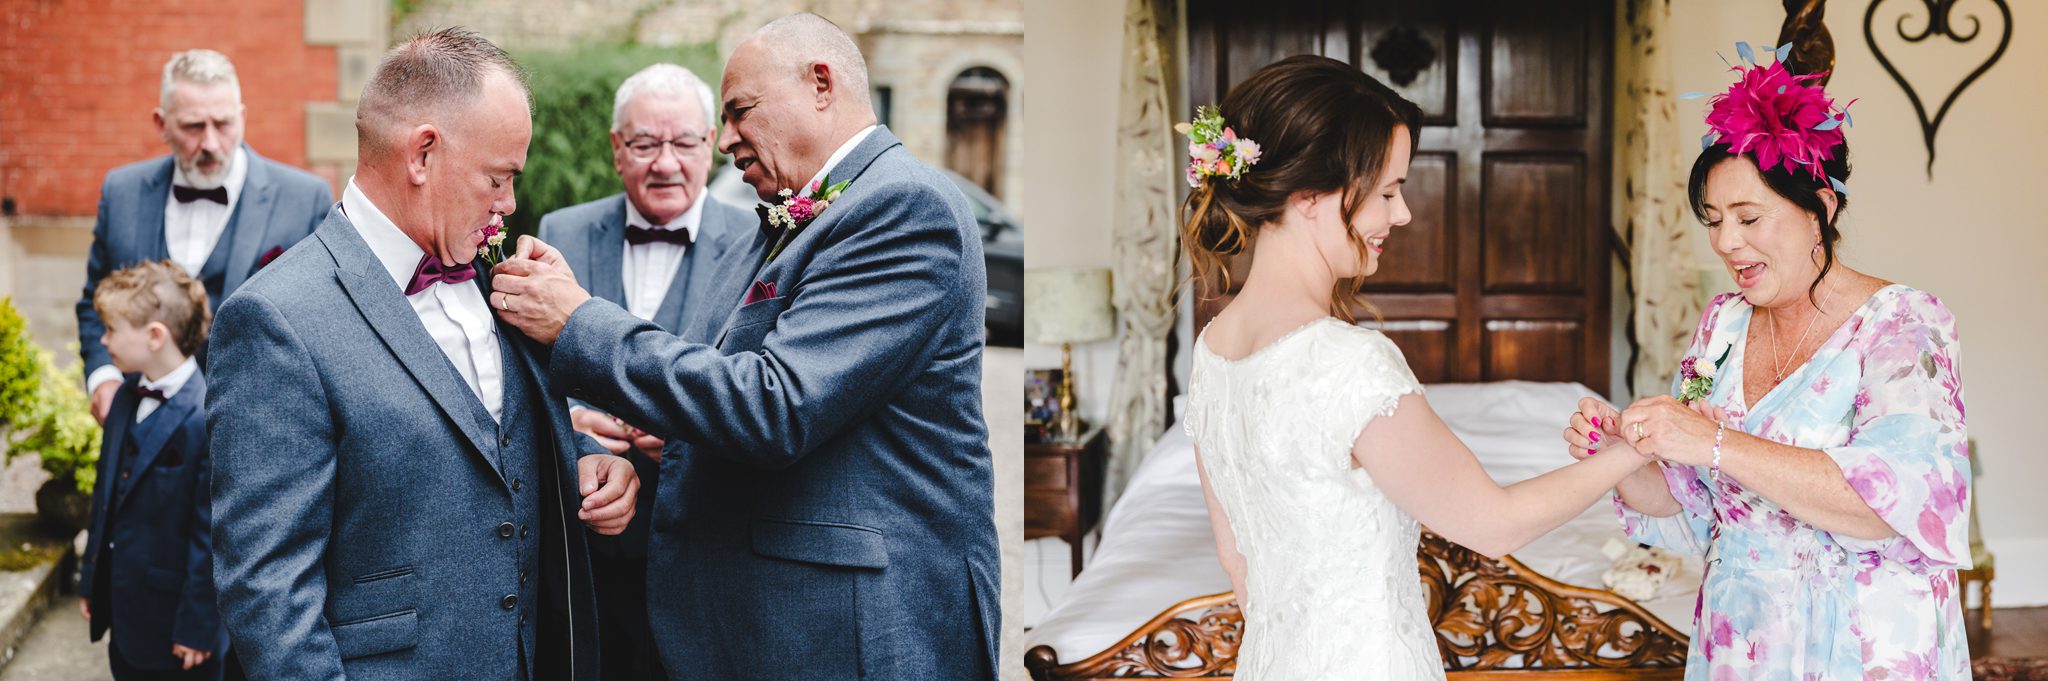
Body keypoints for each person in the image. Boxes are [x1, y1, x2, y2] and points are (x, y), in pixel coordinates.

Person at [488, 13, 997, 679]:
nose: (725, 140)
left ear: (821, 84)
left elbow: (776, 405)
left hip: (854, 630)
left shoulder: (905, 206)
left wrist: (578, 320)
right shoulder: (795, 212)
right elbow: (727, 374)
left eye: (738, 112)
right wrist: (659, 437)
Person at [1177, 55, 1652, 679]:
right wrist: (1632, 450)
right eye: (1387, 193)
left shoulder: (1213, 349)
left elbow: (1237, 561)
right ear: (1309, 196)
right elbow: (1493, 523)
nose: (1400, 216)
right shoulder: (1349, 364)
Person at [205, 28, 638, 680]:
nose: (511, 205)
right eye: (498, 177)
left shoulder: (498, 278)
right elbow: (268, 589)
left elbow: (492, 445)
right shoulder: (275, 320)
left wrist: (588, 459)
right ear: (422, 155)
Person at [1564, 46, 1970, 679]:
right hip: (1741, 639)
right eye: (1715, 220)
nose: (1727, 242)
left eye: (1749, 217)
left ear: (1820, 212)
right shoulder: (1722, 325)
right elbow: (1688, 501)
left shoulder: (1904, 324)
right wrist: (1622, 454)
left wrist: (1717, 442)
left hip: (1864, 644)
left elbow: (1895, 503)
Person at [535, 61, 750, 680]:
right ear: (614, 147)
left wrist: (690, 436)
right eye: (644, 144)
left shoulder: (756, 243)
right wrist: (572, 424)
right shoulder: (562, 233)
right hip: (587, 551)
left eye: (684, 142)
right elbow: (535, 377)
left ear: (711, 145)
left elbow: (767, 391)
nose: (665, 162)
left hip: (705, 551)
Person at [76, 49, 333, 425]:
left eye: (224, 124)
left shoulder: (305, 199)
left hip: (256, 430)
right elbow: (92, 302)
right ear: (161, 124)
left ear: (242, 117)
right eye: (194, 127)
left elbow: (325, 324)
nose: (211, 143)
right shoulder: (122, 192)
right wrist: (103, 379)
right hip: (139, 429)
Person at [78, 260, 228, 680]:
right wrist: (93, 581)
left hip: (179, 630)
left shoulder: (205, 417)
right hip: (124, 615)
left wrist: (199, 626)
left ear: (154, 336)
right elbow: (105, 499)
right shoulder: (124, 397)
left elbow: (211, 534)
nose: (103, 340)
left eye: (110, 329)